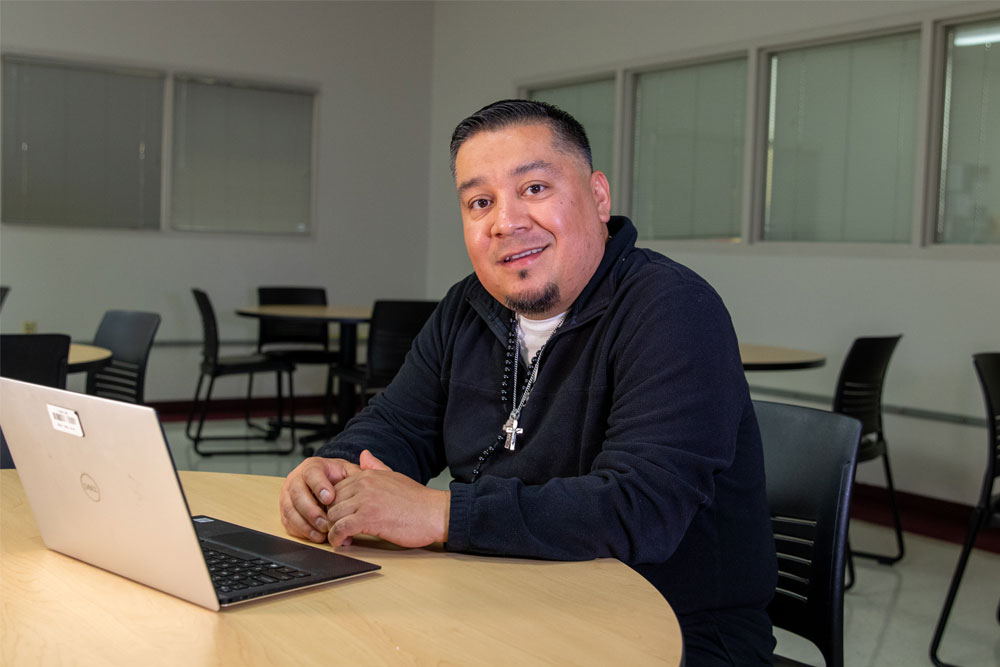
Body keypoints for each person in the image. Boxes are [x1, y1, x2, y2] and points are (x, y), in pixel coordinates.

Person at [280, 99, 777, 664]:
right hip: (511, 600)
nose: (505, 221)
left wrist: (440, 515)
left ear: (597, 195)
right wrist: (332, 472)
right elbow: (397, 424)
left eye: (535, 188)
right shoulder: (467, 306)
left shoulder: (673, 310)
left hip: (676, 632)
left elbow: (641, 508)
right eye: (480, 202)